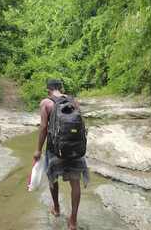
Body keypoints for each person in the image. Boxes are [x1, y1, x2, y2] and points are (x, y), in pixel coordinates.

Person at [33, 79, 89, 230]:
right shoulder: (73, 101)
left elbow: (44, 127)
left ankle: (56, 209)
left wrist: (38, 149)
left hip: (54, 149)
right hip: (76, 149)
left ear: (48, 90)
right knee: (75, 182)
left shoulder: (46, 103)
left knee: (53, 178)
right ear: (61, 88)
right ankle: (73, 221)